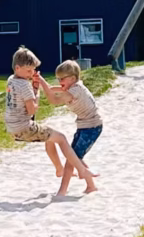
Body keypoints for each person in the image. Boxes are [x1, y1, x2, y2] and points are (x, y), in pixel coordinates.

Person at [4, 47, 97, 194]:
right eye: (29, 71)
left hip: (12, 128)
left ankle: (59, 169)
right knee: (61, 138)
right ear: (18, 67)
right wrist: (36, 92)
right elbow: (32, 110)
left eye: (33, 71)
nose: (31, 74)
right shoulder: (25, 86)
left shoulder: (11, 80)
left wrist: (35, 88)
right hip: (24, 127)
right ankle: (82, 171)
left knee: (50, 138)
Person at [37, 60, 103, 196]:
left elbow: (54, 101)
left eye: (62, 78)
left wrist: (43, 83)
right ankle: (91, 186)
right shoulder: (71, 87)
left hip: (92, 127)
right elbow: (50, 89)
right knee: (75, 156)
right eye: (58, 78)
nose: (59, 81)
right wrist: (40, 81)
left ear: (73, 78)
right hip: (84, 126)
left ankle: (62, 191)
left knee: (71, 159)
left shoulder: (75, 90)